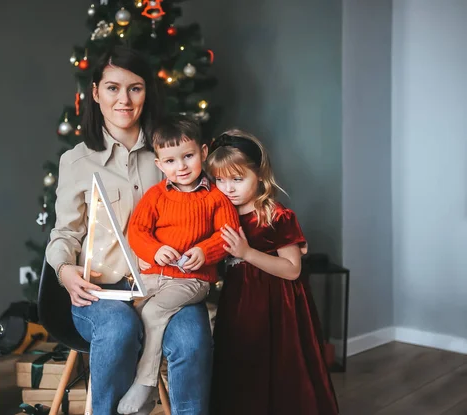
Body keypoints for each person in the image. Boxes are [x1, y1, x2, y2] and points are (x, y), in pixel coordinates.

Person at [45, 47, 213, 415]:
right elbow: (65, 235)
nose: (124, 99)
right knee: (119, 330)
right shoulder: (76, 161)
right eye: (112, 88)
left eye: (135, 88)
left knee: (192, 341)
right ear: (95, 92)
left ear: (146, 92)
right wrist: (64, 269)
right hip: (102, 294)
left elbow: (209, 209)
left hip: (168, 284)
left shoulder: (171, 154)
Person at [206, 130, 339, 415]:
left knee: (281, 365)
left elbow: (292, 270)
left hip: (279, 305)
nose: (227, 188)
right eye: (220, 180)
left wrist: (247, 253)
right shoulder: (221, 214)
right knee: (242, 361)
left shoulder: (276, 215)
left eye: (237, 179)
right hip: (239, 302)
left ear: (260, 175)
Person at [117, 116, 240, 414]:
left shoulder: (216, 198)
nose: (181, 166)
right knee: (134, 314)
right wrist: (155, 250)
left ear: (203, 152)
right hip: (153, 274)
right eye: (171, 161)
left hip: (192, 280)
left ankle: (145, 386)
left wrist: (205, 250)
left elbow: (229, 235)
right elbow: (137, 231)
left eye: (188, 156)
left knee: (156, 310)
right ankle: (143, 387)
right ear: (160, 165)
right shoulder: (156, 196)